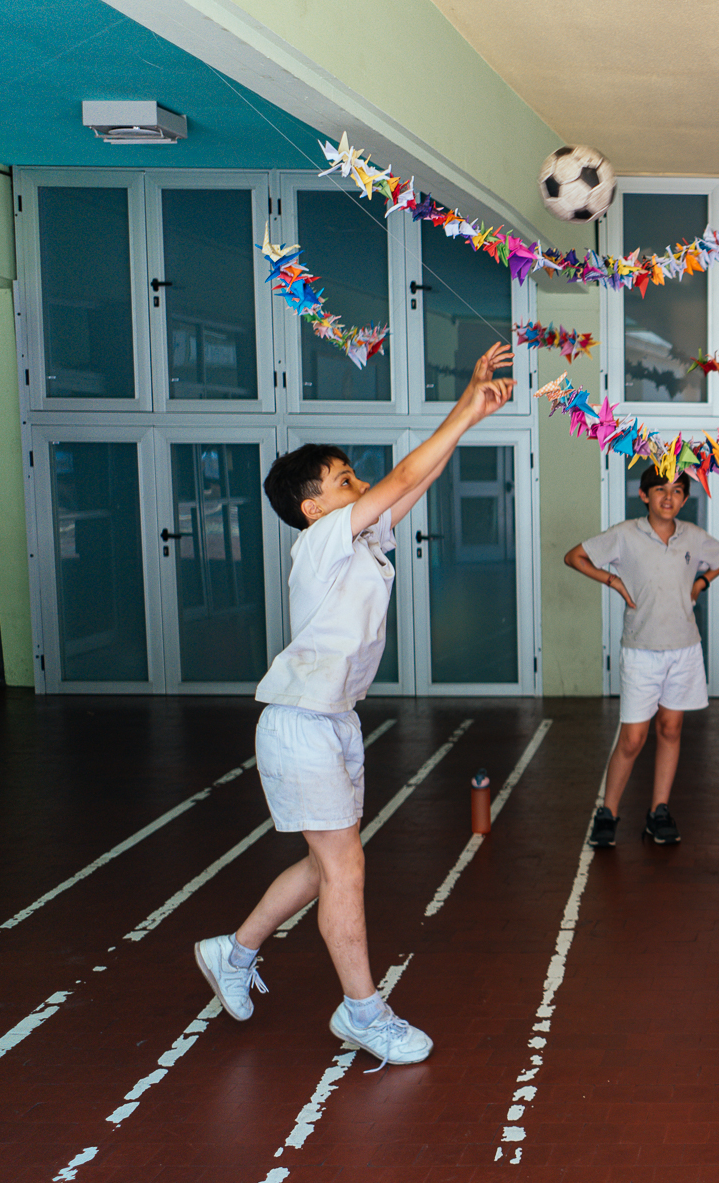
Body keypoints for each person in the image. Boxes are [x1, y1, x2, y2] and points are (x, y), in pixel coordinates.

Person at [193, 344, 518, 1067]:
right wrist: (462, 407)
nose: (361, 484)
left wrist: (469, 414)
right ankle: (362, 1012)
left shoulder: (362, 537)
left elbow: (414, 480)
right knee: (345, 869)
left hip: (334, 720)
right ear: (313, 507)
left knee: (325, 866)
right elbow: (401, 475)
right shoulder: (318, 542)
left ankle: (233, 952)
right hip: (300, 724)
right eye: (345, 480)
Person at [565, 468, 719, 848]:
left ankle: (659, 812)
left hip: (684, 648)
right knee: (632, 739)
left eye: (677, 491)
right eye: (660, 490)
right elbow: (574, 557)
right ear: (644, 495)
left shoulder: (693, 536)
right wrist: (613, 580)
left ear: (685, 499)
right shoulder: (626, 534)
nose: (668, 498)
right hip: (641, 651)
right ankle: (608, 813)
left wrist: (701, 582)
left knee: (670, 730)